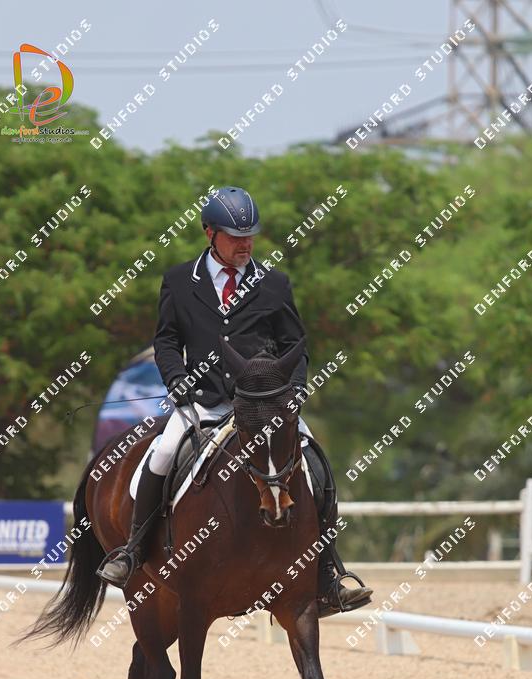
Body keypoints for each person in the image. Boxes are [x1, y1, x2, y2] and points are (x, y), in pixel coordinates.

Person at [96, 185, 372, 617]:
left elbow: (294, 344)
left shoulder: (274, 284)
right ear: (210, 233)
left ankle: (326, 573)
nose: (245, 245)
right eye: (235, 237)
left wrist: (295, 389)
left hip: (263, 404)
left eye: (250, 237)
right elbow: (166, 341)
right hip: (204, 403)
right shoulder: (178, 281)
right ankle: (133, 550)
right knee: (162, 454)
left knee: (315, 462)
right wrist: (176, 379)